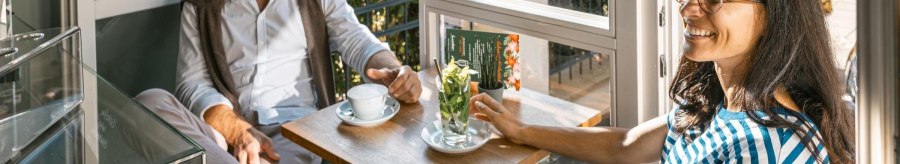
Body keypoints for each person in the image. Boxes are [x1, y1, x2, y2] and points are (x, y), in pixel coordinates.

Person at [469, 0, 854, 163]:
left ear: (776, 14)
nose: (687, 8)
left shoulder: (772, 147)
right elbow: (625, 145)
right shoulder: (724, 99)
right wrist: (521, 130)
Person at [134, 0, 422, 163]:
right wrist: (238, 131)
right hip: (224, 135)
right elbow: (192, 83)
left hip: (295, 136)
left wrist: (391, 72)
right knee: (150, 104)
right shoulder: (202, 5)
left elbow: (357, 41)